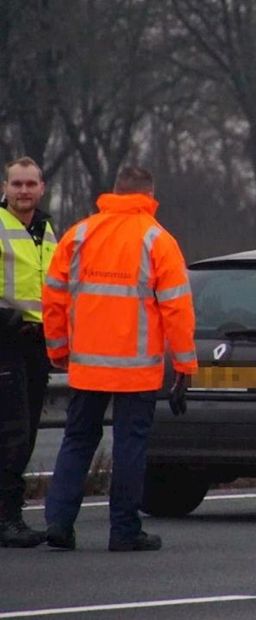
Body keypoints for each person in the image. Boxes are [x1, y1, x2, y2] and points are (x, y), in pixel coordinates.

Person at [42, 165, 196, 552]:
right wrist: (184, 365)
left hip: (87, 365)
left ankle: (59, 522)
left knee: (77, 441)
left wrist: (58, 350)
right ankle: (124, 530)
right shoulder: (157, 240)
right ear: (149, 195)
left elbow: (54, 298)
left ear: (112, 192)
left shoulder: (78, 234)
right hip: (137, 370)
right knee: (130, 446)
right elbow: (177, 309)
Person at [0, 157, 56, 548]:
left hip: (39, 341)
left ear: (42, 187)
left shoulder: (47, 229)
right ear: (5, 186)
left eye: (30, 184)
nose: (23, 191)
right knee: (13, 433)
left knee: (26, 431)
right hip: (6, 339)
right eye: (16, 184)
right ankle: (8, 519)